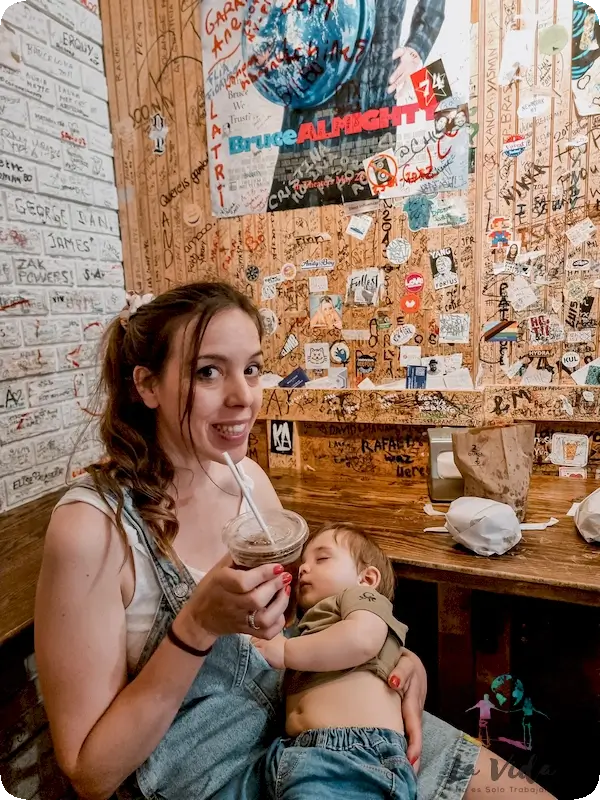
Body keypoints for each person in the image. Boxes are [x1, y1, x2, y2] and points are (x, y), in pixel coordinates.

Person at [35, 282, 557, 800]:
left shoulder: (248, 482)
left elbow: (303, 624)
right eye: (208, 371)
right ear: (146, 385)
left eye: (252, 368)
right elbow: (90, 773)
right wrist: (193, 627)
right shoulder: (92, 529)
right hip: (223, 777)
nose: (243, 397)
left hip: (340, 733)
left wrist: (391, 659)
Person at [253, 523, 417, 799]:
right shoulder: (310, 625)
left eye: (322, 559)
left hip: (350, 750)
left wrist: (285, 652)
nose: (304, 568)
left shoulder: (360, 598)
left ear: (366, 579)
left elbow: (362, 639)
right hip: (296, 753)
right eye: (303, 562)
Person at [268, 0, 447, 210]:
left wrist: (417, 47)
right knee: (297, 205)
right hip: (316, 87)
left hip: (373, 95)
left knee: (364, 213)